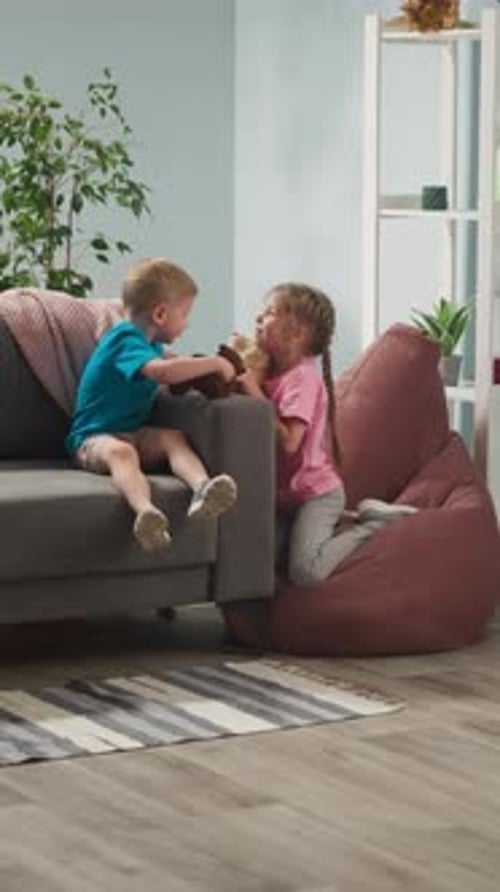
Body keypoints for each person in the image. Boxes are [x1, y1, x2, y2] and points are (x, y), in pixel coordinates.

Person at [237, 282, 416, 586]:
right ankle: (344, 522)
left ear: (299, 332)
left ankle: (370, 527)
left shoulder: (303, 379)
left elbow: (290, 443)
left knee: (306, 573)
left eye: (269, 313)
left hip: (316, 495)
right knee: (260, 560)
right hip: (285, 498)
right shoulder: (268, 375)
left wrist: (253, 393)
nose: (258, 318)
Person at [66, 258, 237, 553]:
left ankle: (202, 489)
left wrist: (205, 376)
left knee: (173, 437)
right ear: (160, 313)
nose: (187, 323)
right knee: (122, 452)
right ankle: (145, 512)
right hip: (92, 439)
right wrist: (214, 363)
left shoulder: (151, 347)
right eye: (184, 314)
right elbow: (162, 373)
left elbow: (173, 372)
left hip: (131, 431)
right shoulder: (124, 339)